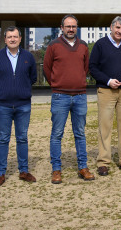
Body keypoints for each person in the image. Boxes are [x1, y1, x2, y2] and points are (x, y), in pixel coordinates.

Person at [43, 14, 94, 184]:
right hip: (60, 96)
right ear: (62, 27)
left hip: (80, 96)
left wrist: (76, 82)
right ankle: (56, 170)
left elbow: (85, 69)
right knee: (57, 134)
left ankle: (83, 167)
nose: (71, 29)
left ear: (76, 28)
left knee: (80, 133)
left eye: (73, 26)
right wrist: (57, 84)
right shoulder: (53, 45)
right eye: (68, 26)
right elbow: (47, 68)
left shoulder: (84, 46)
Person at [0, 26, 38, 186]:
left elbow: (33, 78)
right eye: (9, 37)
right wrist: (2, 90)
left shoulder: (28, 57)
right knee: (3, 139)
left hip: (23, 105)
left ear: (20, 39)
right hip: (3, 105)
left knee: (22, 138)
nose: (12, 39)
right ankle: (0, 173)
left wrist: (21, 89)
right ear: (5, 39)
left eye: (15, 36)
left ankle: (24, 171)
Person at [89, 16, 121, 175]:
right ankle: (103, 162)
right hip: (106, 91)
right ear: (111, 27)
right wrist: (108, 80)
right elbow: (92, 68)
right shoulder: (100, 45)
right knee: (105, 127)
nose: (120, 31)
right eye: (117, 28)